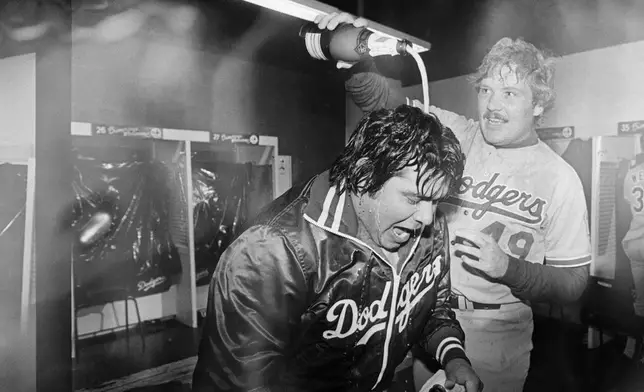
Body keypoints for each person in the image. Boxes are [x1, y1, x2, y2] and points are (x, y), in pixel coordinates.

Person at [314, 12, 592, 392]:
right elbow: (383, 103)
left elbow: (573, 282)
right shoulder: (455, 133)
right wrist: (358, 56)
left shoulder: (561, 178)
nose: (492, 104)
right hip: (426, 318)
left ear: (538, 104)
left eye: (509, 93)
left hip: (497, 335)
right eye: (486, 90)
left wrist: (509, 268)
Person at [191, 105, 482, 392]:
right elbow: (239, 382)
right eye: (413, 198)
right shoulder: (270, 251)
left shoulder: (426, 224)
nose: (428, 217)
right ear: (365, 176)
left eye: (436, 201)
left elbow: (431, 307)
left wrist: (454, 358)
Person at [621, 133, 644, 362]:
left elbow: (629, 204)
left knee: (640, 301)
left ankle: (631, 348)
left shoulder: (631, 172)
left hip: (635, 241)